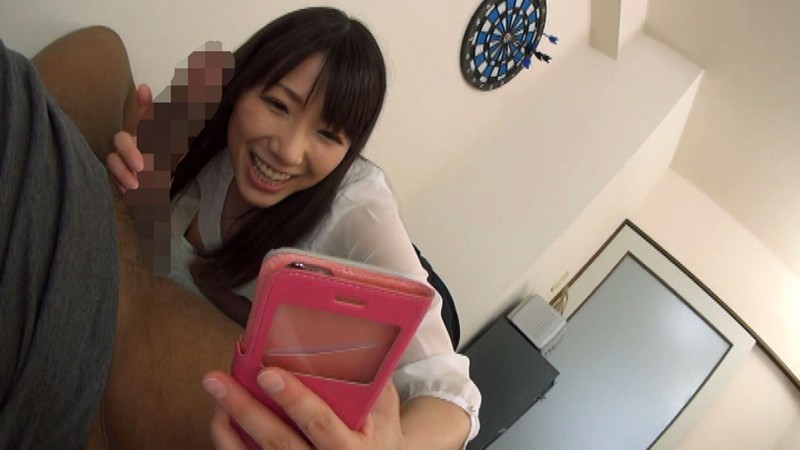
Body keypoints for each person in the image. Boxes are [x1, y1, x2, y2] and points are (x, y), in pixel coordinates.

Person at [0, 7, 478, 450]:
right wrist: (130, 175)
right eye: (278, 105)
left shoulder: (355, 206)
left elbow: (454, 396)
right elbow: (142, 227)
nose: (288, 150)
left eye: (328, 134)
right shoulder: (199, 112)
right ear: (241, 83)